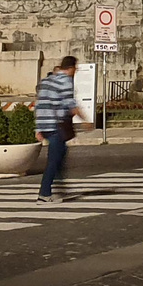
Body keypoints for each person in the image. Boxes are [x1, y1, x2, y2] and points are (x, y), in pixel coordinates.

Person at [35, 56, 88, 204]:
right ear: (70, 68)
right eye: (75, 68)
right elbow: (70, 103)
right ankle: (44, 194)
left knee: (60, 154)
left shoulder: (46, 81)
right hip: (56, 125)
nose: (76, 71)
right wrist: (85, 120)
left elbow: (39, 104)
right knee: (53, 160)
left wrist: (38, 128)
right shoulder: (65, 81)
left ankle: (59, 187)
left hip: (45, 125)